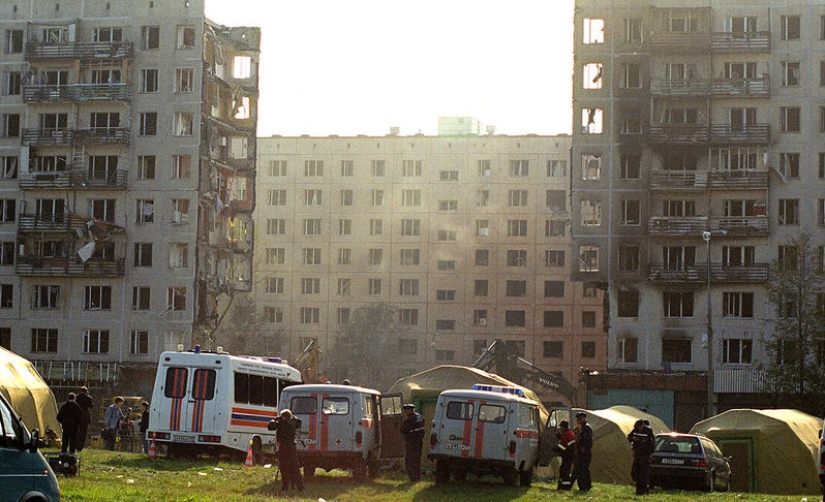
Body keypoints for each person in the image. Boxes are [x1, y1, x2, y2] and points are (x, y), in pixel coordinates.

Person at [268, 409, 304, 492]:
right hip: (292, 446)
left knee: (284, 467)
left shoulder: (281, 423)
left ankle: (285, 486)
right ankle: (300, 487)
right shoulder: (294, 422)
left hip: (283, 447)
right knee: (295, 467)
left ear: (283, 416)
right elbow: (299, 422)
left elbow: (270, 427)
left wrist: (274, 420)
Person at [628, 418, 655, 495]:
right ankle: (638, 489)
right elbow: (629, 437)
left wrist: (648, 453)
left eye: (639, 427)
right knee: (635, 472)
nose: (638, 429)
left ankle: (644, 490)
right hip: (637, 454)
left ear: (642, 425)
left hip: (645, 455)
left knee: (644, 474)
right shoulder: (635, 430)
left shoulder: (648, 431)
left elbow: (652, 444)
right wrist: (633, 439)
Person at [399, 403, 425, 482]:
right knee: (417, 460)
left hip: (412, 442)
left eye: (406, 411)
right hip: (419, 441)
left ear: (409, 410)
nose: (405, 413)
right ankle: (417, 477)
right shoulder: (419, 417)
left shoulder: (410, 420)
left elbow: (402, 430)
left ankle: (413, 477)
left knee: (410, 460)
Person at [553, 419, 576, 490]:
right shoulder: (570, 433)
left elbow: (563, 447)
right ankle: (563, 486)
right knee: (566, 470)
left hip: (567, 456)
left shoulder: (565, 435)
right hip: (571, 456)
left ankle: (564, 487)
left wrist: (555, 448)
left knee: (564, 471)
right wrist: (560, 436)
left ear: (563, 427)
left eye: (561, 427)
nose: (560, 428)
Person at [574, 411, 593, 492]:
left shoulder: (586, 428)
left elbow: (587, 440)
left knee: (583, 470)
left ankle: (585, 487)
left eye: (580, 418)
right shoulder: (580, 428)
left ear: (584, 418)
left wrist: (582, 446)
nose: (578, 420)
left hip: (585, 452)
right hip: (580, 451)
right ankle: (584, 486)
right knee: (580, 469)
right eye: (577, 418)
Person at [75, 386, 93, 452]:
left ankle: (76, 444)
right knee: (84, 432)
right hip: (85, 417)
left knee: (77, 432)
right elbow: (91, 406)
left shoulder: (77, 397)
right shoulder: (89, 398)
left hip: (77, 417)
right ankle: (81, 446)